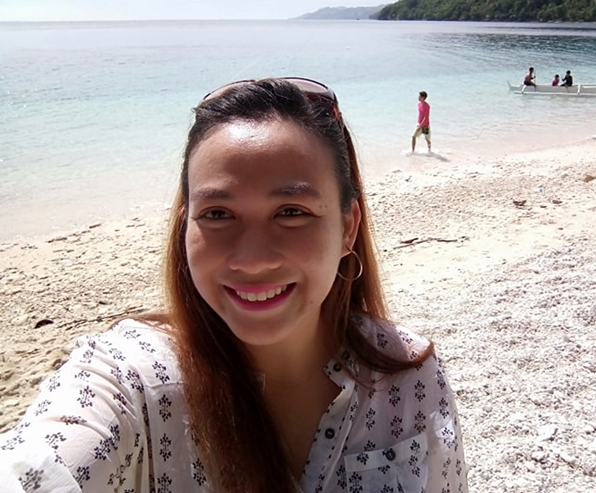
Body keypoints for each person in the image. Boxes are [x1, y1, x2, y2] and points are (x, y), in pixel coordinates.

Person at [0, 78, 467, 492]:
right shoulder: (132, 382)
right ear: (185, 227)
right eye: (218, 214)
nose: (252, 259)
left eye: (291, 212)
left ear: (348, 227)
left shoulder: (409, 377)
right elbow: (40, 465)